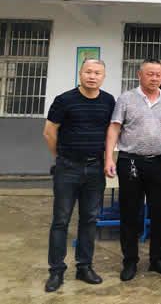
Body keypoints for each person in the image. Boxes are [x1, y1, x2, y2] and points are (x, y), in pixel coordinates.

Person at [104, 59, 161, 282]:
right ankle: (130, 261)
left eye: (158, 74)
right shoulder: (126, 98)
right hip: (130, 162)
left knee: (160, 212)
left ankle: (158, 259)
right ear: (140, 75)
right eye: (150, 74)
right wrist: (108, 157)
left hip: (158, 162)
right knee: (130, 213)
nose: (155, 78)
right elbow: (114, 128)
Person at [43, 59, 115, 292]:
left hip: (95, 169)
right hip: (68, 168)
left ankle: (84, 266)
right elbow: (49, 131)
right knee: (61, 220)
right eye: (88, 72)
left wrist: (107, 159)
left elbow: (110, 133)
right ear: (80, 73)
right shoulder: (64, 100)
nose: (92, 76)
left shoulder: (108, 101)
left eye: (97, 73)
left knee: (90, 219)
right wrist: (60, 157)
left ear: (103, 76)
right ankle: (56, 271)